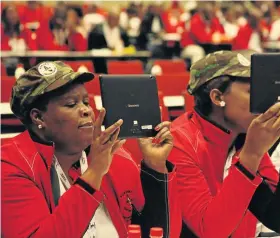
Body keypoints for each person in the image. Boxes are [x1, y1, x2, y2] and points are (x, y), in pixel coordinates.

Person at [1, 61, 182, 237]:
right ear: (38, 117)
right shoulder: (12, 164)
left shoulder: (116, 157)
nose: (86, 110)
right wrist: (94, 173)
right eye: (71, 104)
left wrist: (156, 169)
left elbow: (159, 233)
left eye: (86, 102)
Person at [169, 50, 280, 237]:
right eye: (254, 91)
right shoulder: (178, 142)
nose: (265, 101)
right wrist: (251, 155)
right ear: (218, 98)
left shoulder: (244, 136)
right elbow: (210, 231)